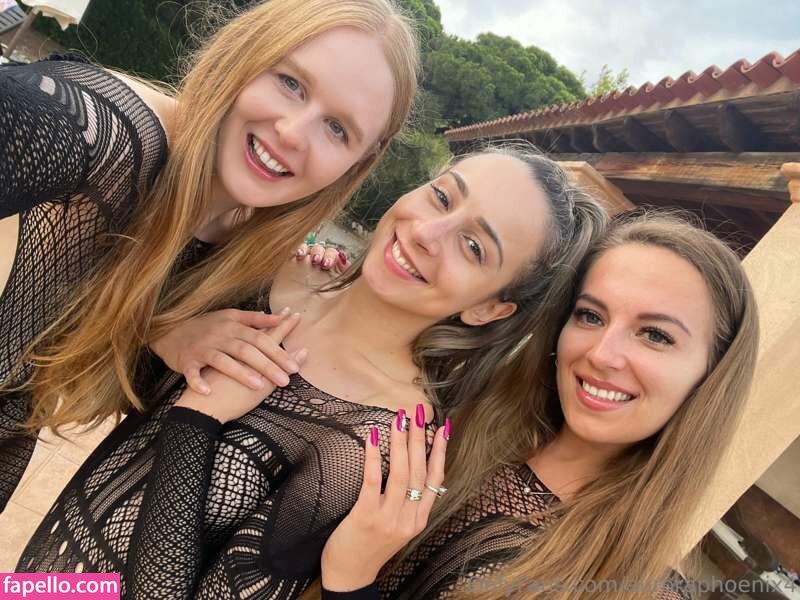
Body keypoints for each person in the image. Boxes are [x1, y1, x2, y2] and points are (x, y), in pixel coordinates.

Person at [15, 146, 607, 600]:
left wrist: (197, 421)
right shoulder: (267, 273)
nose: (428, 234)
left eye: (474, 248)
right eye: (443, 197)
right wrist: (164, 331)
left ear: (489, 309)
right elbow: (73, 360)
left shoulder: (379, 444)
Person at [0, 0, 420, 513]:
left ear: (357, 163)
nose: (292, 132)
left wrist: (161, 328)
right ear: (246, 54)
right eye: (290, 83)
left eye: (337, 129)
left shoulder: (236, 252)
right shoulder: (98, 131)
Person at [312, 211, 759, 600]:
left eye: (656, 335)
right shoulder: (456, 418)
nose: (602, 354)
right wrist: (308, 301)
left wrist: (351, 582)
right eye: (590, 316)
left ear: (711, 375)